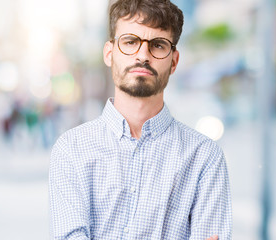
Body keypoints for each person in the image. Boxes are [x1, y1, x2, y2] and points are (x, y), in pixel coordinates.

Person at [49, 0, 232, 239]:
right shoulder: (71, 149)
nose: (143, 55)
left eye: (158, 45)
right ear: (109, 53)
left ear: (174, 61)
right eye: (130, 42)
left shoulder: (204, 158)